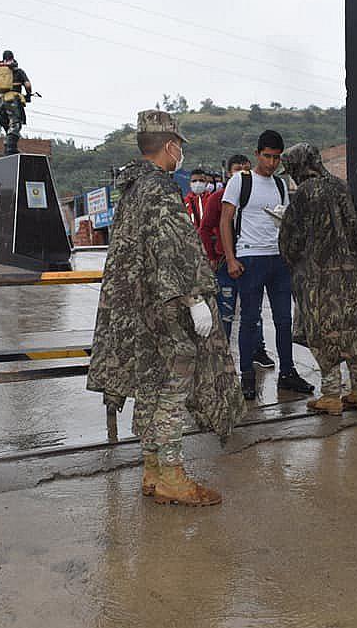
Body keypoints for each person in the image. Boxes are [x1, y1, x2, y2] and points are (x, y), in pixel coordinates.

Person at [87, 110, 245, 506]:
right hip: (165, 309)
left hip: (140, 309)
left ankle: (153, 470)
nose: (181, 156)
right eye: (179, 148)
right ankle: (171, 475)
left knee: (152, 385)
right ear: (170, 146)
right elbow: (172, 247)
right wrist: (195, 299)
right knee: (173, 386)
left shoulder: (132, 189)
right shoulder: (159, 188)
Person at [279, 143, 357, 415]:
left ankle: (331, 395)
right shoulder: (340, 186)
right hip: (350, 274)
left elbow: (292, 239)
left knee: (325, 335)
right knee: (353, 332)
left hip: (320, 279)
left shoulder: (305, 193)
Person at [220, 130, 314, 400]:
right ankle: (247, 376)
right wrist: (231, 258)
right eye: (267, 156)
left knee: (284, 319)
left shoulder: (281, 185)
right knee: (250, 320)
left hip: (278, 259)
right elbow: (225, 220)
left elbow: (285, 220)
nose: (272, 162)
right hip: (250, 258)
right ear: (257, 154)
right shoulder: (240, 181)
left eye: (276, 158)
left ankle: (288, 372)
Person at [199, 155, 274, 369]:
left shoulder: (257, 194)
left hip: (251, 261)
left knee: (253, 310)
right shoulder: (218, 198)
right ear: (229, 172)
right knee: (226, 311)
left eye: (246, 168)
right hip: (225, 263)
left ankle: (258, 350)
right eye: (237, 168)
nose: (242, 172)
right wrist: (212, 256)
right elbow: (204, 229)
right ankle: (222, 355)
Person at [0, 50, 32, 155]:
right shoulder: (19, 71)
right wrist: (28, 94)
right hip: (13, 100)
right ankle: (10, 148)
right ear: (13, 58)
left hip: (0, 102)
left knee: (7, 126)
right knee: (15, 124)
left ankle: (9, 148)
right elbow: (28, 85)